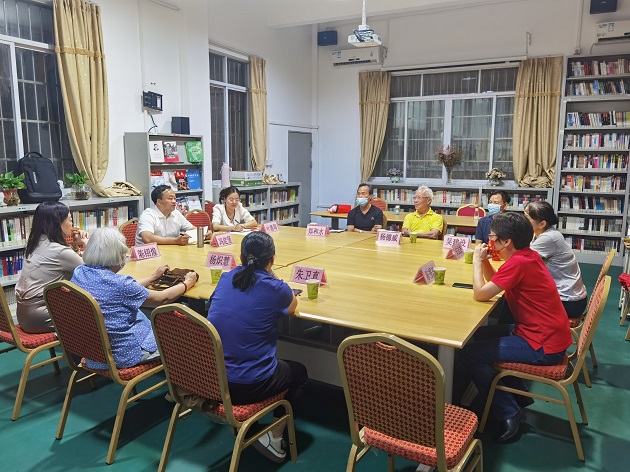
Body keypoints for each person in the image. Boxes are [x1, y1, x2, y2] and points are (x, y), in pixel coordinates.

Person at [460, 212, 571, 443]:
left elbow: (481, 294)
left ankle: (508, 411)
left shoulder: (519, 263)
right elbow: (497, 282)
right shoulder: (526, 255)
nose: (490, 241)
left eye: (492, 237)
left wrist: (477, 262)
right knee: (477, 334)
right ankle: (516, 391)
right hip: (544, 332)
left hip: (542, 345)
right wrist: (487, 261)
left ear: (506, 241)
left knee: (469, 353)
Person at [207, 231, 308, 463]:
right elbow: (292, 306)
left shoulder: (226, 278)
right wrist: (272, 275)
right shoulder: (275, 288)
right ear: (272, 259)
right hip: (249, 384)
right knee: (299, 373)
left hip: (214, 379)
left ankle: (248, 425)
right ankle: (274, 437)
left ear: (241, 257)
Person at [71, 228, 198, 370]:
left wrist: (153, 277)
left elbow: (122, 290)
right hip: (124, 354)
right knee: (184, 330)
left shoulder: (80, 272)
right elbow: (162, 298)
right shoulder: (121, 284)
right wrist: (187, 283)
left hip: (94, 353)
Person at [15, 202, 89, 333]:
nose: (72, 224)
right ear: (58, 223)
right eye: (70, 219)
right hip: (40, 316)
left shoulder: (35, 243)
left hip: (23, 315)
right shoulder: (59, 251)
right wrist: (86, 243)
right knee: (95, 311)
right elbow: (92, 272)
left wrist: (75, 246)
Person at [524, 201, 588, 319]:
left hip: (568, 301)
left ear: (542, 224)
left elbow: (522, 261)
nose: (522, 221)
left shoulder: (548, 238)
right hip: (570, 295)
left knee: (519, 299)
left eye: (527, 218)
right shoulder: (539, 233)